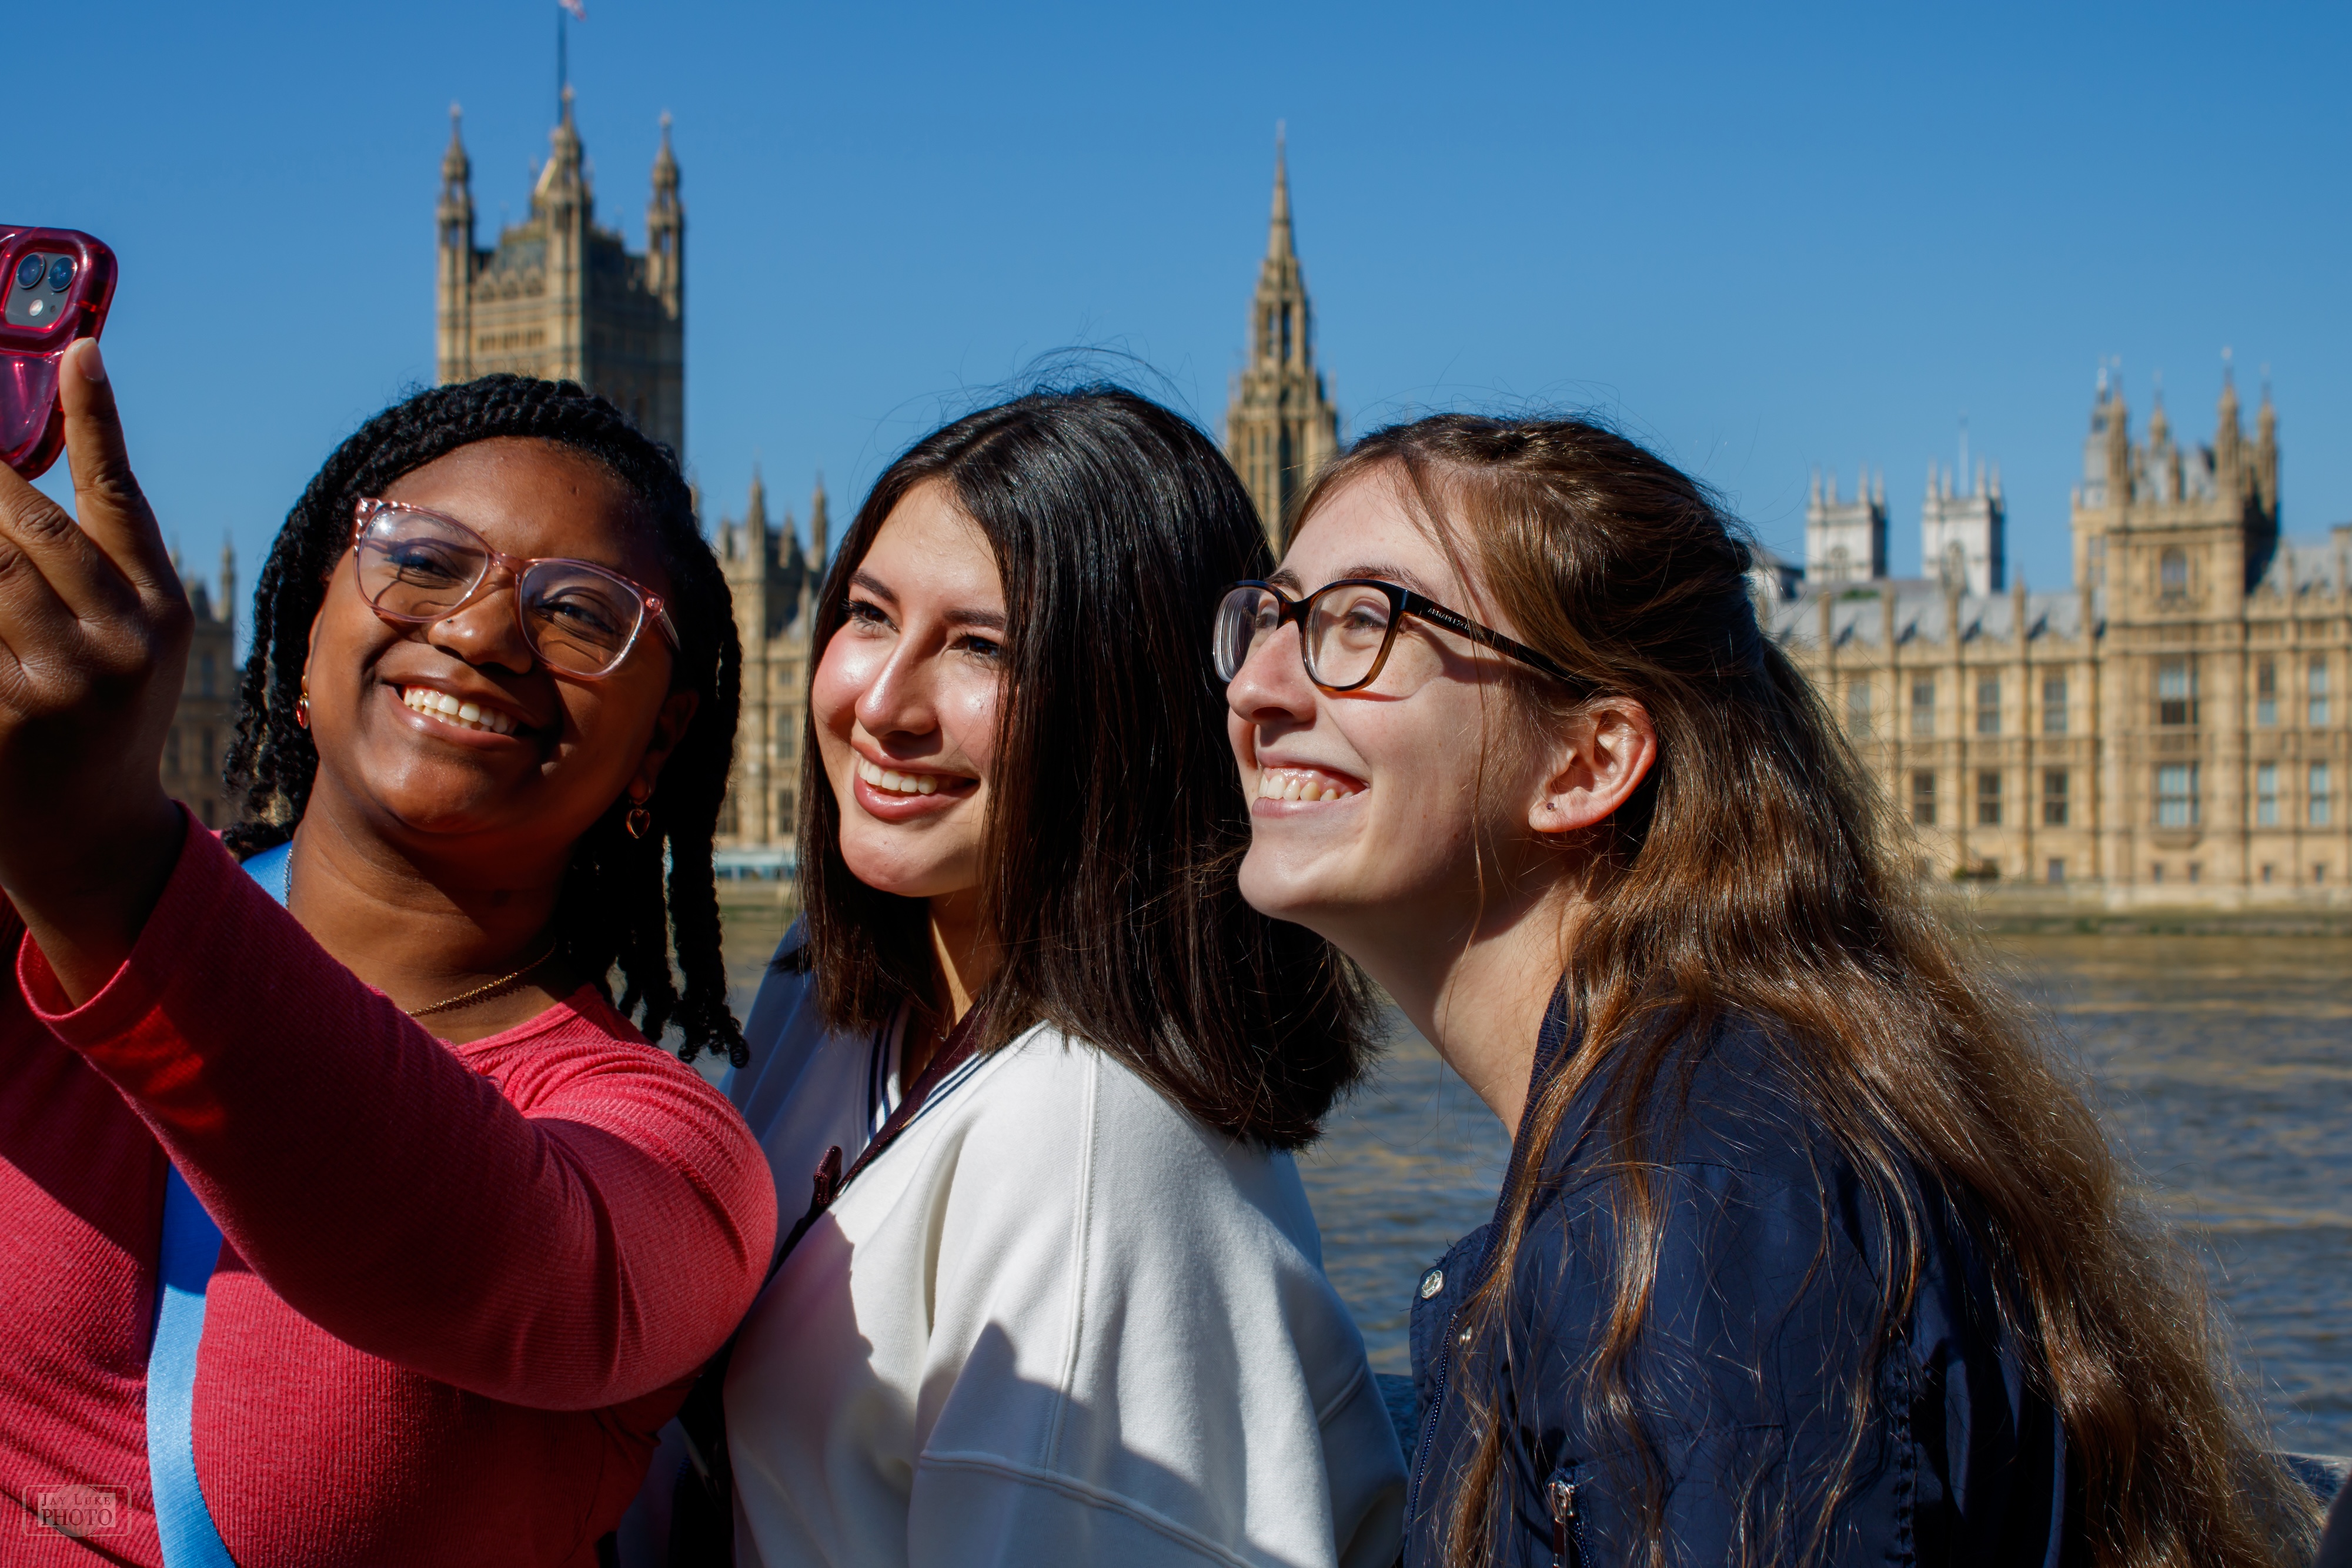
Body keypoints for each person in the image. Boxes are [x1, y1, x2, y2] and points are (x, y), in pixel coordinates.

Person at [1215, 412, 2317, 1567]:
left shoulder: (1707, 1223)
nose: (1255, 687)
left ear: (1588, 759)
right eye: (1269, 617)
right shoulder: (1701, 1134)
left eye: (1361, 621)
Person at [0, 353, 779, 1566]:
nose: (479, 630)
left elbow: (484, 1249)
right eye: (419, 559)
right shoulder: (30, 931)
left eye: (580, 613)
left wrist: (99, 849)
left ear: (659, 740)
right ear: (310, 624)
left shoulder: (670, 1158)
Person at [647, 387, 1406, 1568]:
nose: (881, 703)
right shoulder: (829, 987)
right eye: (865, 614)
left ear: (1133, 703)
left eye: (979, 645)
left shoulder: (1097, 1155)